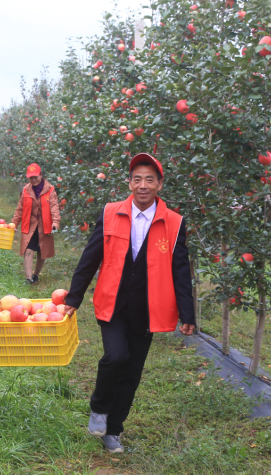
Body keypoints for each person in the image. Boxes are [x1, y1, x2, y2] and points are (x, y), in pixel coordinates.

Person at [63, 153, 196, 454]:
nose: (143, 185)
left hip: (148, 307)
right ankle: (98, 406)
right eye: (137, 179)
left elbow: (180, 270)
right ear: (129, 182)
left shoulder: (173, 223)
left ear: (160, 184)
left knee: (132, 370)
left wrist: (187, 313)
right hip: (113, 302)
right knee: (115, 357)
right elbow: (91, 256)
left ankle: (114, 430)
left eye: (150, 179)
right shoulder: (111, 212)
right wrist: (74, 297)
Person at [11, 163, 61, 284]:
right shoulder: (26, 190)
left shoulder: (50, 190)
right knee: (28, 249)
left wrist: (55, 222)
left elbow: (54, 207)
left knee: (42, 252)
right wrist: (14, 223)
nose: (33, 180)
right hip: (30, 224)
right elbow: (20, 209)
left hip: (45, 225)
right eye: (30, 178)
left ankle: (36, 275)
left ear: (41, 175)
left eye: (35, 177)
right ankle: (28, 278)